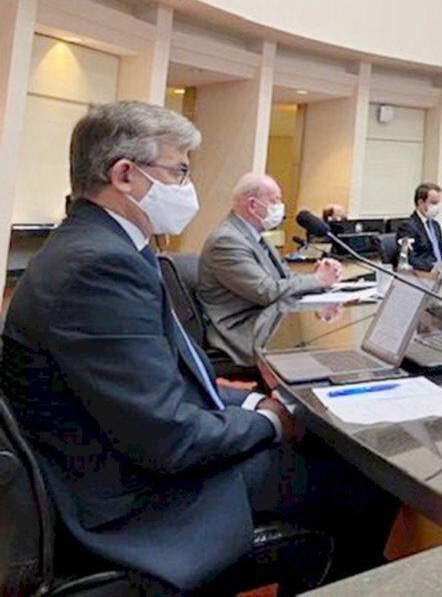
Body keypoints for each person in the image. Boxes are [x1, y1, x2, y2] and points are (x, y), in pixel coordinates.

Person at [0, 102, 393, 593]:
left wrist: (251, 402)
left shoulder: (101, 247)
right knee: (360, 477)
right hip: (130, 501)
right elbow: (169, 438)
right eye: (180, 171)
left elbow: (158, 388)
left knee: (325, 447)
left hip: (126, 458)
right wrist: (271, 420)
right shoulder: (96, 266)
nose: (189, 186)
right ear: (125, 174)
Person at [198, 173, 345, 366]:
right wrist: (317, 280)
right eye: (274, 201)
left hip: (271, 319)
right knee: (321, 354)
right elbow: (266, 291)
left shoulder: (257, 237)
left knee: (329, 342)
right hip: (244, 329)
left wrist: (316, 276)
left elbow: (286, 277)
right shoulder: (227, 240)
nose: (280, 208)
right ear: (252, 205)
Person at [399, 182, 442, 272]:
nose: (436, 207)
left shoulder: (435, 225)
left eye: (438, 203)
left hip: (440, 274)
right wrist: (431, 269)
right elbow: (410, 258)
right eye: (433, 203)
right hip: (422, 276)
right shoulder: (407, 226)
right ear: (420, 202)